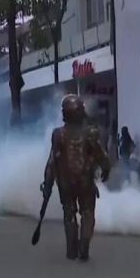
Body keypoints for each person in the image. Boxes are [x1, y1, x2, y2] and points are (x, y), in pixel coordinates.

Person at [43, 95, 110, 262]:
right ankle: (83, 247)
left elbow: (53, 161)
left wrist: (48, 183)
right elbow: (102, 156)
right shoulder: (91, 133)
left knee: (69, 214)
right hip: (86, 181)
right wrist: (105, 169)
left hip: (65, 182)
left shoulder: (58, 134)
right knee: (87, 213)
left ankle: (71, 250)